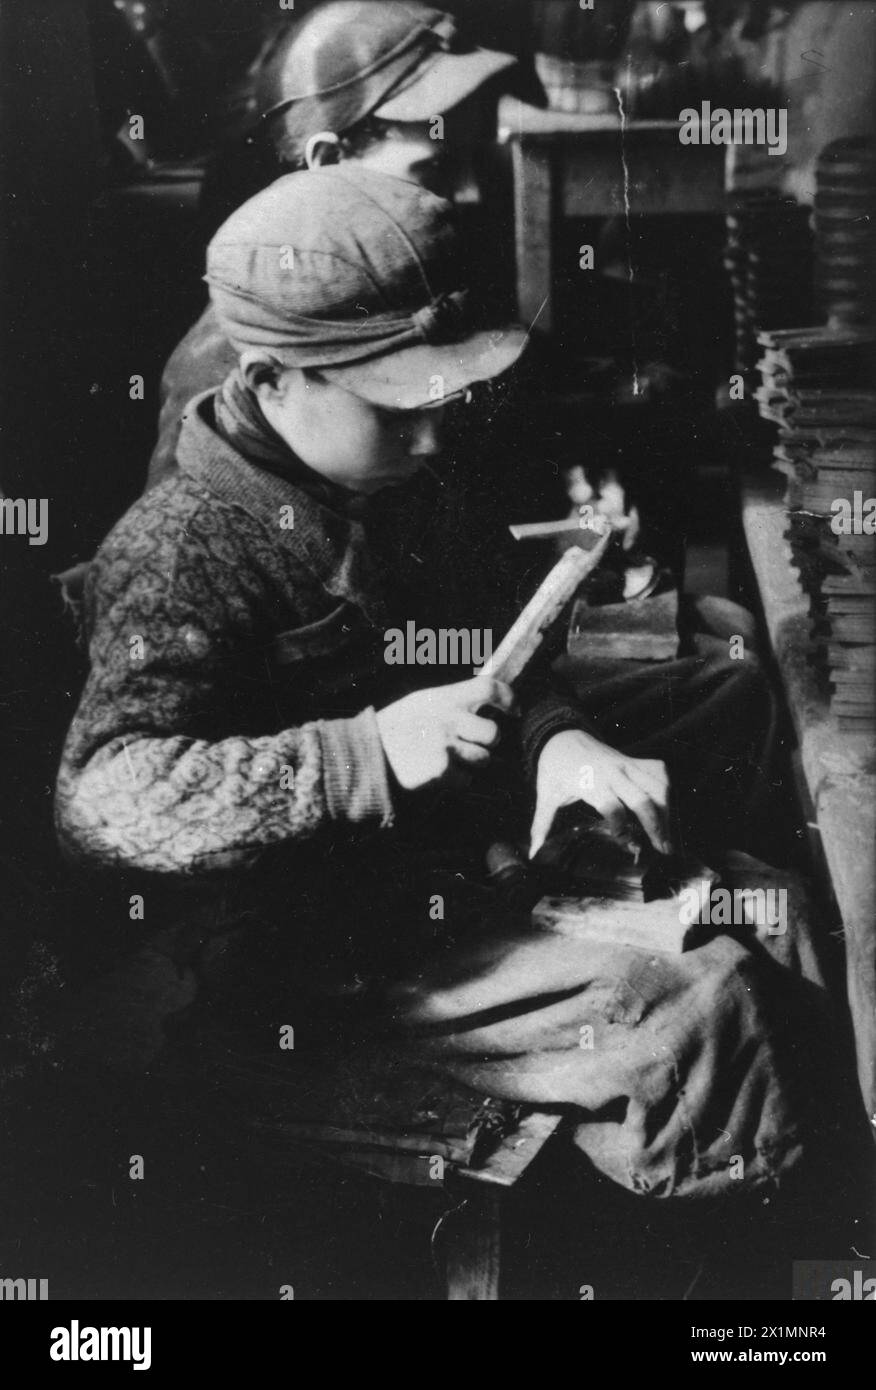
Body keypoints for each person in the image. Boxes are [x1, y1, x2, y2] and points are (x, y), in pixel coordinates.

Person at [56, 166, 840, 1210]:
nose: (435, 435)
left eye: (443, 400)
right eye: (397, 408)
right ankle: (745, 1246)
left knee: (765, 899)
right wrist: (364, 754)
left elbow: (486, 658)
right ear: (273, 378)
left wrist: (554, 739)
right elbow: (104, 800)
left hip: (444, 847)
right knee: (702, 1003)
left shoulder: (398, 473)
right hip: (302, 944)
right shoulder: (184, 543)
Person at [147, 0, 536, 489]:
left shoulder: (426, 275)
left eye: (473, 158)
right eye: (436, 167)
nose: (471, 192)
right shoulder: (238, 355)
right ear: (329, 159)